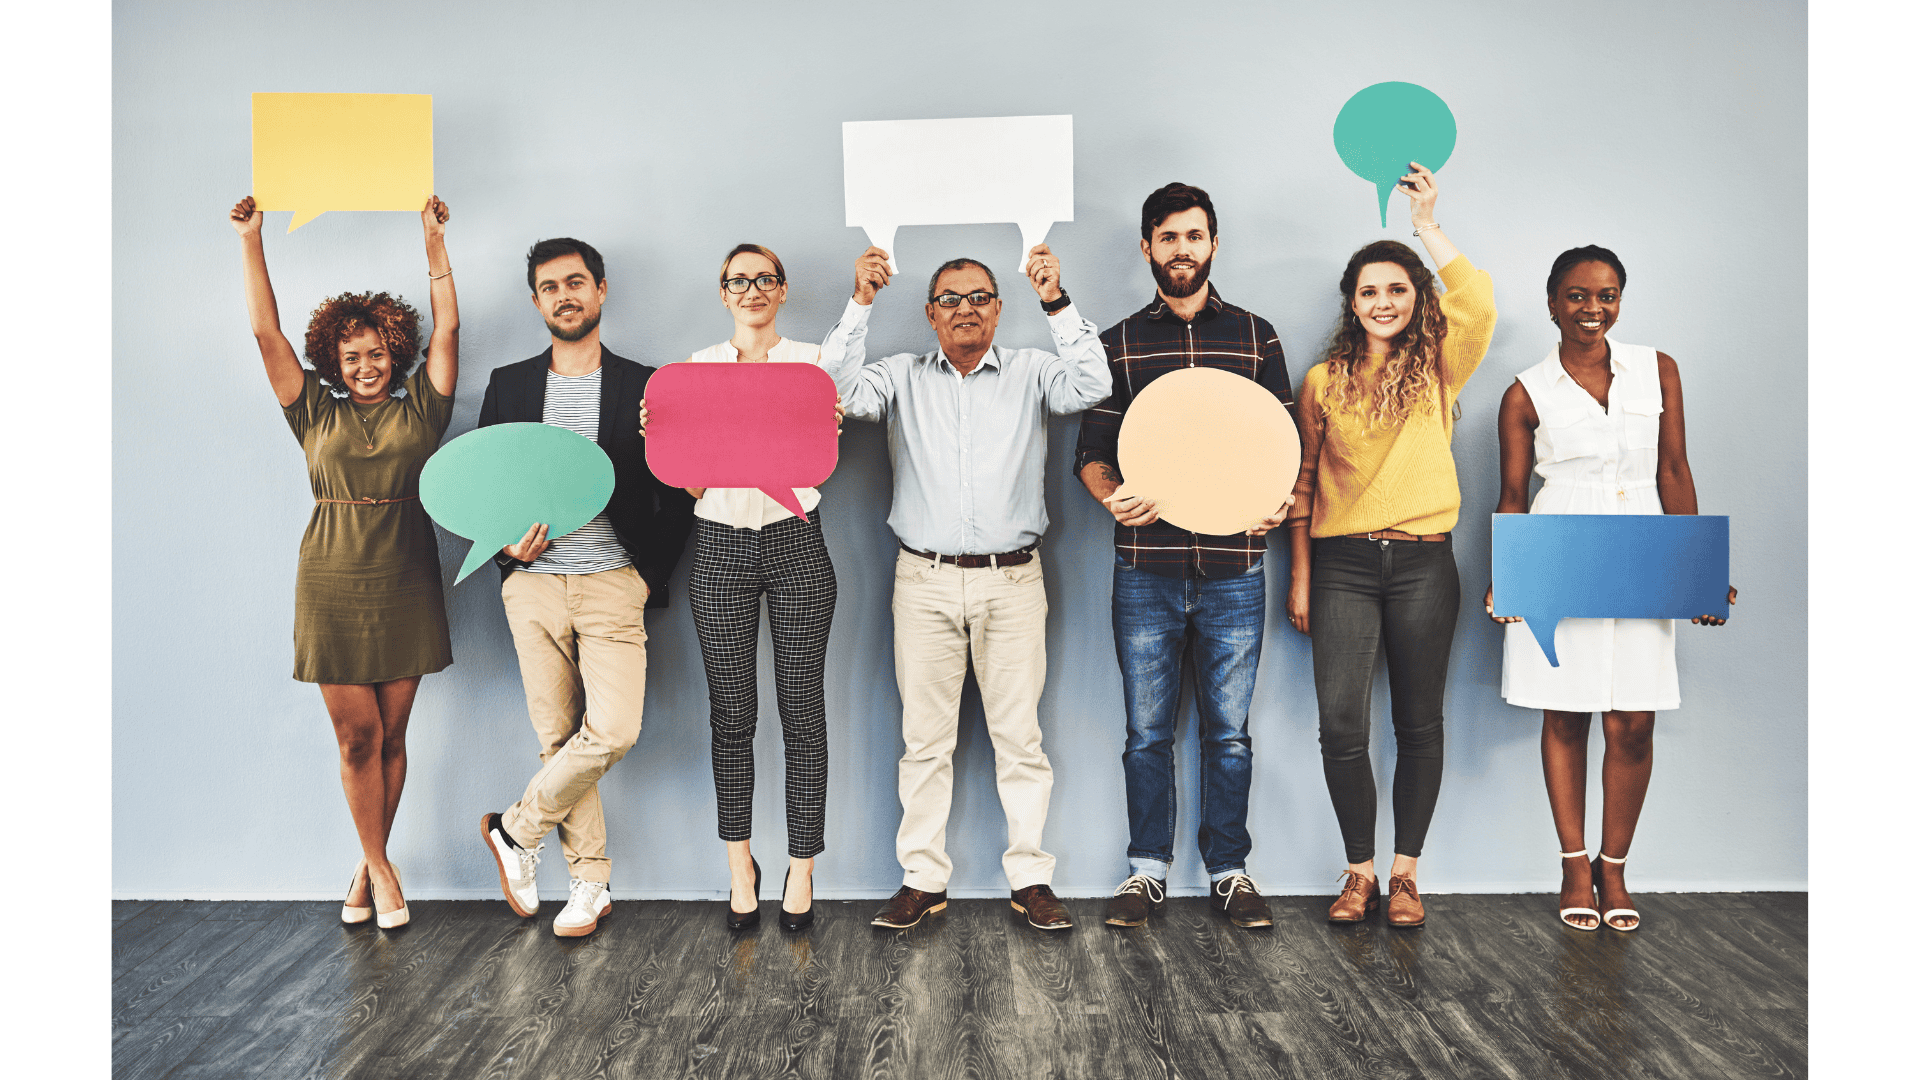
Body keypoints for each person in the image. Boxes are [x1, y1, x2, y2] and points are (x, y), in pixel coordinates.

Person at [823, 241, 1111, 931]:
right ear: (929, 313)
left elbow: (1095, 384)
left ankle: (1031, 880)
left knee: (1020, 738)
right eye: (949, 299)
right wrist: (860, 300)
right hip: (921, 580)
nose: (965, 309)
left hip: (1013, 582)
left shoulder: (1035, 373)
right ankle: (922, 880)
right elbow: (830, 391)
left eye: (979, 297)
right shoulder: (898, 377)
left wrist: (1056, 299)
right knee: (925, 741)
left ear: (998, 308)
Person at [1489, 245, 1736, 932]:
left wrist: (1699, 575)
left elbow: (1676, 470)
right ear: (1550, 303)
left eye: (1605, 295)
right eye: (1575, 295)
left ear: (1620, 300)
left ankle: (1615, 867)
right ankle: (1573, 863)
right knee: (1565, 714)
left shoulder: (1658, 371)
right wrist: (1508, 581)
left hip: (1641, 547)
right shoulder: (1525, 391)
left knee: (1633, 720)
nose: (1590, 309)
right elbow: (1512, 497)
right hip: (1559, 549)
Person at [229, 193, 460, 930]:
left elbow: (451, 324)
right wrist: (251, 240)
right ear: (335, 358)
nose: (365, 364)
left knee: (393, 737)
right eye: (351, 355)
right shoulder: (313, 411)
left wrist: (432, 243)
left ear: (396, 352)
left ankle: (369, 868)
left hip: (406, 572)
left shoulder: (424, 406)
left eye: (377, 352)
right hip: (330, 576)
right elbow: (265, 331)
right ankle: (384, 870)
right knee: (356, 736)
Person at [1073, 182, 1297, 929]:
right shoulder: (1120, 343)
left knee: (1229, 734)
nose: (1181, 250)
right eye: (1167, 237)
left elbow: (1284, 449)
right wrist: (1111, 496)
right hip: (1146, 567)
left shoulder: (1257, 338)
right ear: (1147, 247)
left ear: (1213, 244)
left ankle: (1230, 872)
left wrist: (1281, 499)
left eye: (1194, 236)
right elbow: (1091, 456)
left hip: (1237, 570)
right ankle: (1146, 873)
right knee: (1147, 732)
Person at [1283, 163, 1496, 928]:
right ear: (1352, 302)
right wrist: (1302, 578)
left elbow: (1477, 302)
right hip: (1341, 565)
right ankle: (1359, 872)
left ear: (1416, 300)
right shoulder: (1321, 382)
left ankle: (1406, 874)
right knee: (1342, 723)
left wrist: (1427, 224)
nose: (1382, 302)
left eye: (1397, 289)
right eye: (1369, 291)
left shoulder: (1440, 369)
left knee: (1419, 721)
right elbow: (1303, 486)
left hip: (1423, 564)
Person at [477, 238, 696, 938]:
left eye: (577, 282)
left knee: (613, 729)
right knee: (556, 738)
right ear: (536, 300)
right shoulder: (509, 385)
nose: (564, 295)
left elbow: (677, 489)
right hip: (532, 586)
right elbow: (488, 486)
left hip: (611, 580)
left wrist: (645, 572)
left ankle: (517, 828)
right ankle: (590, 883)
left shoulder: (646, 385)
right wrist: (505, 548)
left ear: (601, 291)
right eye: (550, 286)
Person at [638, 244, 855, 932]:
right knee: (731, 716)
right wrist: (668, 447)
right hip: (721, 544)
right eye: (739, 280)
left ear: (783, 290)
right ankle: (739, 864)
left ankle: (801, 867)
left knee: (803, 712)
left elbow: (819, 460)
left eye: (764, 279)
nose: (752, 289)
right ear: (723, 293)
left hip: (798, 544)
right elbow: (691, 475)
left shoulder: (813, 365)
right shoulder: (695, 371)